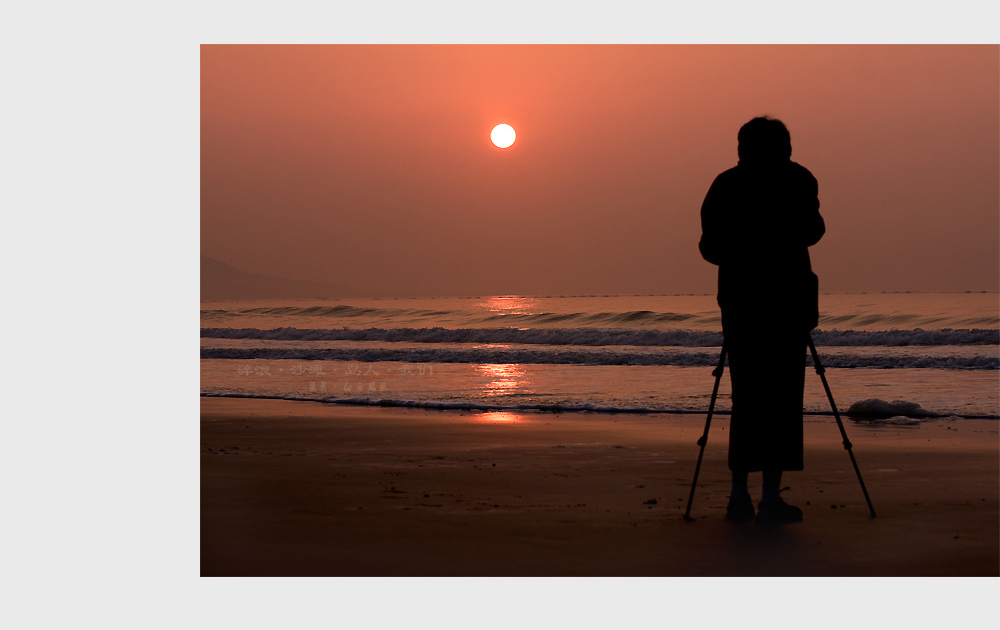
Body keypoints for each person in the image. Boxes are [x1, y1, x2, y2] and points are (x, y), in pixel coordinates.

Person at [698, 116, 825, 526]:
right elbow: (813, 231)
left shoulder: (725, 184)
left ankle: (739, 495)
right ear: (785, 145)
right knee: (784, 399)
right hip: (788, 301)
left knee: (747, 397)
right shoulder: (799, 179)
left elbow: (710, 248)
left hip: (742, 302)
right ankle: (770, 498)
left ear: (742, 146)